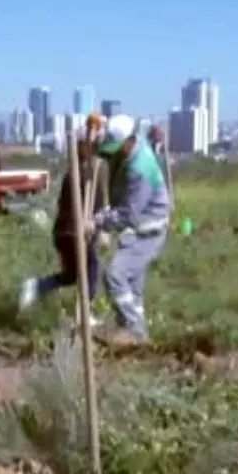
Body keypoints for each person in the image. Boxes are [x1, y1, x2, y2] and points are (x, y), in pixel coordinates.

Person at [90, 114, 170, 348]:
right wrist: (93, 132)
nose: (116, 153)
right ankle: (140, 339)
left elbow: (129, 214)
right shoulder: (131, 145)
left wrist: (99, 222)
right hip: (136, 228)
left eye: (119, 148)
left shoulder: (140, 170)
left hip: (148, 230)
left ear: (131, 141)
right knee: (132, 286)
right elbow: (101, 153)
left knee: (115, 275)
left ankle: (133, 331)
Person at [18, 139, 109, 321]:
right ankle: (85, 313)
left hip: (62, 232)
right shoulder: (88, 177)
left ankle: (36, 286)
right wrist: (102, 229)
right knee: (91, 268)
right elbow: (97, 207)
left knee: (72, 275)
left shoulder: (72, 174)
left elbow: (63, 204)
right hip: (75, 233)